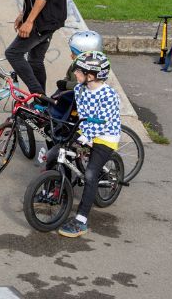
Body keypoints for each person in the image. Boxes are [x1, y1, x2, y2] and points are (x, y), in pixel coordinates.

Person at [57, 51, 121, 238]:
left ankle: (81, 220)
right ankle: (54, 189)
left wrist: (87, 137)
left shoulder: (109, 95)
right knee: (57, 152)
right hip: (87, 131)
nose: (75, 73)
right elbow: (83, 115)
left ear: (91, 75)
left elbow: (104, 120)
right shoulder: (79, 89)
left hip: (105, 136)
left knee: (91, 174)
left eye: (79, 70)